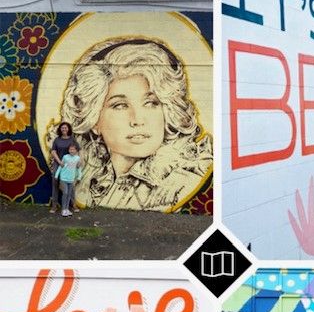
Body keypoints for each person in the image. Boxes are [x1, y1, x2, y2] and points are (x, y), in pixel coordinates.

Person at [47, 38, 212, 212]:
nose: (138, 120)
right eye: (120, 105)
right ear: (94, 120)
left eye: (151, 103)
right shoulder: (88, 174)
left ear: (167, 110)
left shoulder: (183, 181)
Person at [49, 121, 80, 213]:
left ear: (68, 129)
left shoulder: (72, 140)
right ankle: (54, 205)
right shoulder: (57, 140)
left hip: (69, 166)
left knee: (70, 185)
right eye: (62, 128)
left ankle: (73, 204)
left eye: (66, 127)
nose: (64, 129)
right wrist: (59, 161)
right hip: (58, 164)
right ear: (60, 129)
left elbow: (77, 151)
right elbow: (53, 151)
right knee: (55, 183)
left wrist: (78, 162)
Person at [55, 143, 82, 217]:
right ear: (68, 150)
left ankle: (67, 209)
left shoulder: (78, 158)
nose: (72, 151)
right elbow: (61, 166)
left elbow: (78, 168)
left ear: (76, 150)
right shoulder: (65, 157)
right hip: (63, 178)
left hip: (71, 179)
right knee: (65, 193)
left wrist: (79, 177)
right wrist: (57, 175)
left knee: (69, 194)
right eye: (70, 149)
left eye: (73, 149)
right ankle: (63, 209)